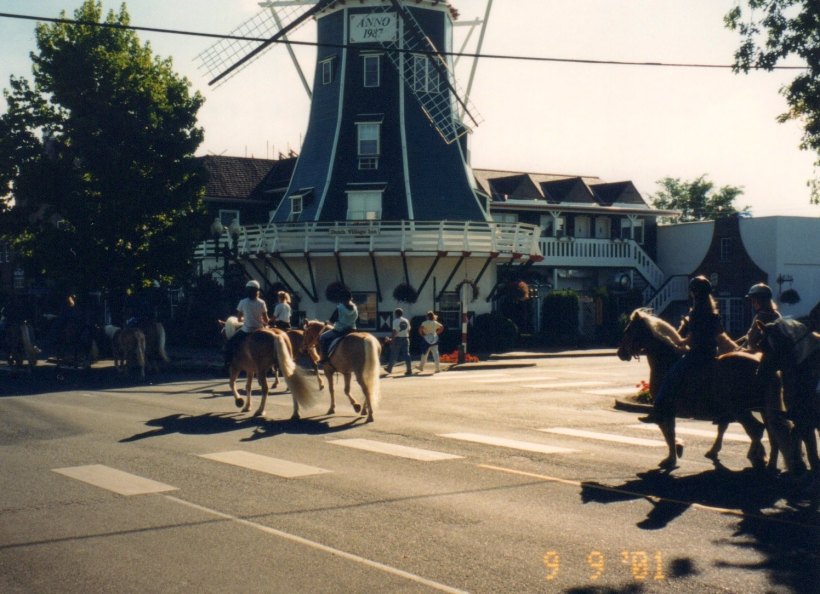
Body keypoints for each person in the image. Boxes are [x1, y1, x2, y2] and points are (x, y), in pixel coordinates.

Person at [640, 276, 724, 424]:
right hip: (712, 352)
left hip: (697, 354)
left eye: (692, 291)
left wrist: (679, 342)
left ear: (695, 292)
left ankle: (657, 410)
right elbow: (719, 333)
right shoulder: (713, 312)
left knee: (669, 376)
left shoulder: (696, 311)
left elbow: (692, 338)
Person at [224, 280, 269, 368]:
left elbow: (239, 319)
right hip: (260, 329)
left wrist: (245, 319)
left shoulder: (243, 302)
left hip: (247, 330)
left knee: (230, 343)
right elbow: (266, 320)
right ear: (257, 291)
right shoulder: (262, 302)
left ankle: (228, 363)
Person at [737, 283, 781, 351]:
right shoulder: (775, 314)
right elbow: (748, 336)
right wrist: (735, 343)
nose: (753, 304)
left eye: (754, 300)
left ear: (762, 300)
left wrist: (739, 348)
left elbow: (751, 338)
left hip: (760, 351)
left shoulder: (763, 315)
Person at [318, 289, 358, 364]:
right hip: (352, 330)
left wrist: (327, 322)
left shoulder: (340, 308)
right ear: (350, 298)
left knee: (322, 337)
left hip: (340, 330)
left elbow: (331, 322)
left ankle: (324, 358)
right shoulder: (355, 308)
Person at [385, 307, 413, 376]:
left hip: (398, 339)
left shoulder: (395, 321)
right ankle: (409, 369)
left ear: (396, 314)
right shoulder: (406, 320)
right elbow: (409, 329)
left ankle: (389, 368)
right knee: (407, 354)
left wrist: (392, 339)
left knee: (394, 354)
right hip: (406, 338)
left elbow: (394, 331)